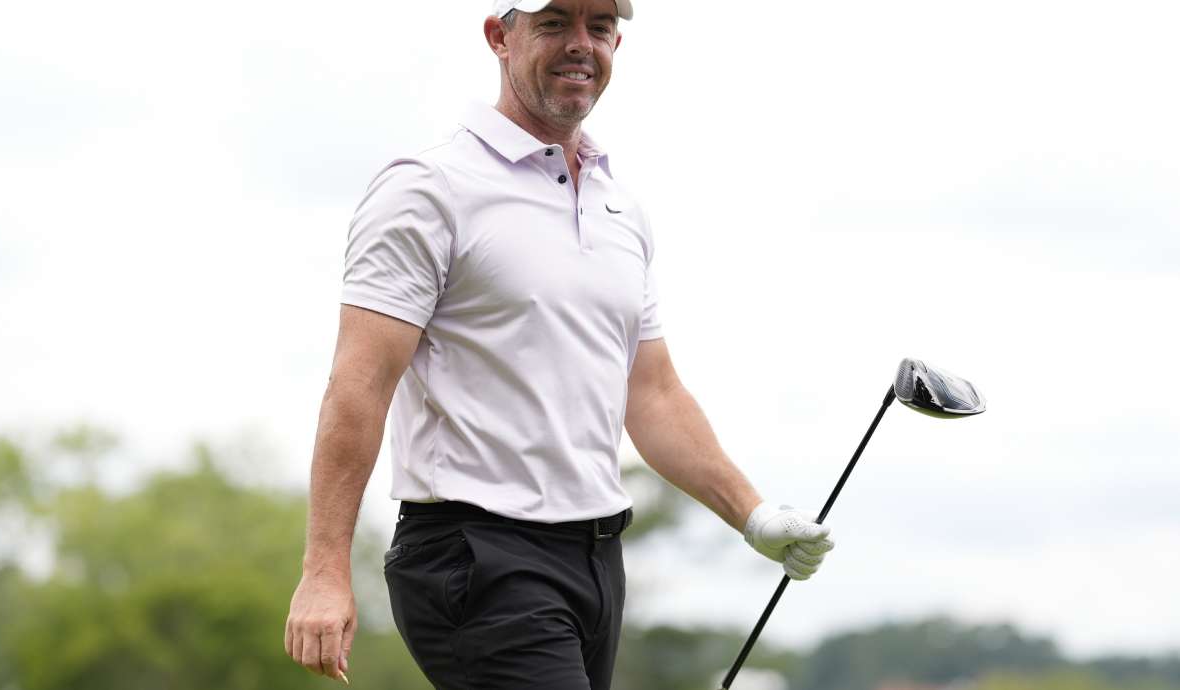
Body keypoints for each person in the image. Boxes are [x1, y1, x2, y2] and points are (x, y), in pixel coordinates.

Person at [284, 1, 836, 687]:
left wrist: (753, 514)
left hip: (597, 557)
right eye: (553, 24)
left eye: (598, 26)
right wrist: (324, 571)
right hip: (475, 554)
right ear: (499, 37)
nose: (581, 44)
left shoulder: (620, 209)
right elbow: (359, 383)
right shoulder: (428, 189)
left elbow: (652, 392)